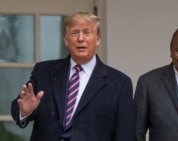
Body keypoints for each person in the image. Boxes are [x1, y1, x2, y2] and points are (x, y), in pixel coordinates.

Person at [11, 12, 135, 141]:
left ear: (98, 39)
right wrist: (25, 111)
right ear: (66, 39)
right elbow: (18, 107)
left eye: (87, 33)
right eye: (75, 33)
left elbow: (125, 134)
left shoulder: (120, 83)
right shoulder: (43, 72)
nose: (81, 39)